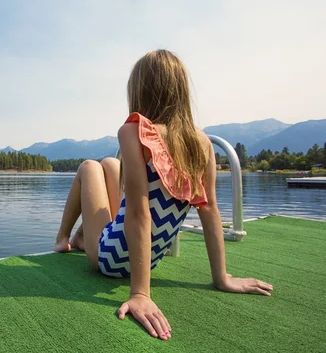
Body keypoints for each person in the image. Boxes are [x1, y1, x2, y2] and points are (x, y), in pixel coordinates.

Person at [53, 49, 273, 340]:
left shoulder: (132, 131)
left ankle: (63, 240)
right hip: (150, 259)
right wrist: (222, 278)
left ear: (139, 90)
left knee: (90, 166)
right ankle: (84, 237)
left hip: (112, 259)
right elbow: (210, 212)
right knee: (109, 164)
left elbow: (139, 214)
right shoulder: (202, 144)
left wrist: (140, 293)